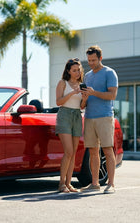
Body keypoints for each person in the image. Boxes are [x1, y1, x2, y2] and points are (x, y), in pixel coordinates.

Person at [80, 45, 118, 194]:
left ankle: (111, 184)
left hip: (105, 117)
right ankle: (95, 183)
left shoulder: (110, 73)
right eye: (89, 60)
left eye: (93, 60)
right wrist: (84, 98)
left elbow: (112, 95)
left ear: (100, 58)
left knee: (108, 150)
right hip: (89, 117)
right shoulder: (87, 76)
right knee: (93, 151)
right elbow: (85, 102)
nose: (91, 63)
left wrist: (94, 92)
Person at [55, 58, 87, 193]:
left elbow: (82, 106)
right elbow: (58, 102)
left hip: (77, 116)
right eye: (74, 70)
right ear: (68, 71)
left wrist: (85, 98)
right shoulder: (63, 83)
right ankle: (61, 183)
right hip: (64, 115)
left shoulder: (82, 84)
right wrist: (73, 92)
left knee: (73, 153)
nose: (77, 72)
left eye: (78, 69)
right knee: (68, 151)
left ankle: (68, 184)